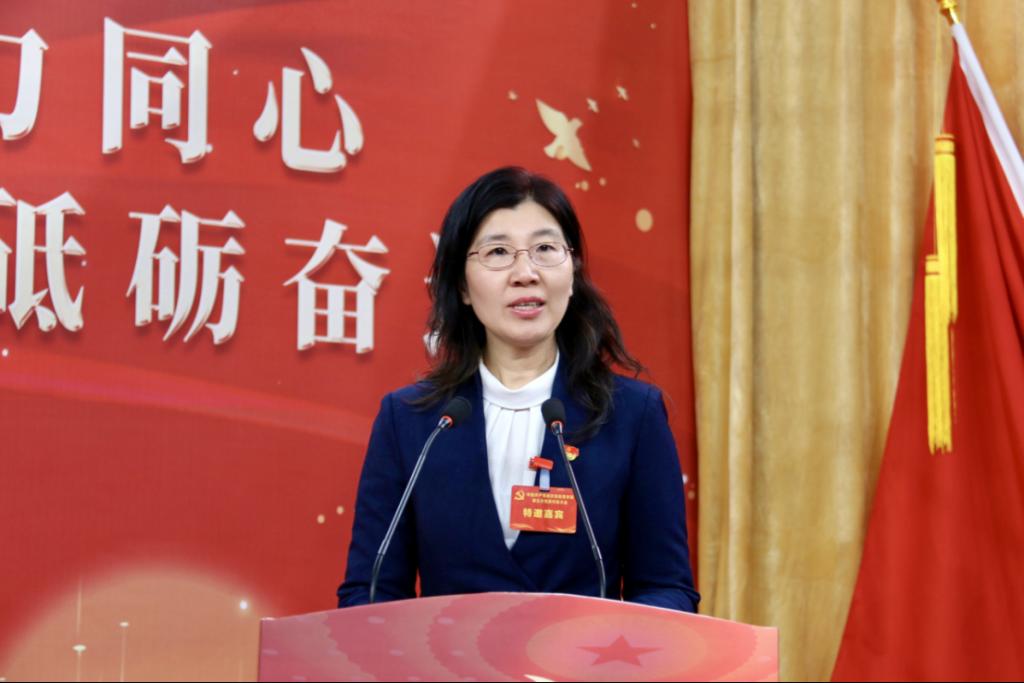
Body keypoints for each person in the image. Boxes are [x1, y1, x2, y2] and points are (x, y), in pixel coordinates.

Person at [337, 167, 699, 611]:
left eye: (545, 249)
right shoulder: (413, 421)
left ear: (572, 271)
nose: (525, 273)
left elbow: (667, 588)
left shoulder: (632, 415)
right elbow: (370, 594)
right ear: (462, 286)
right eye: (498, 252)